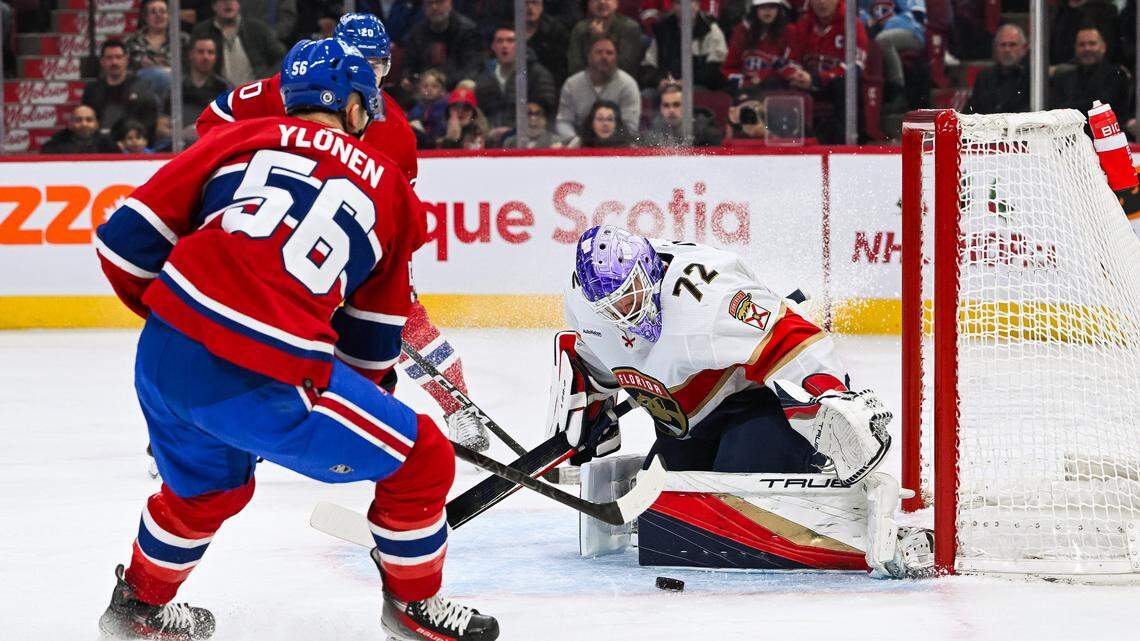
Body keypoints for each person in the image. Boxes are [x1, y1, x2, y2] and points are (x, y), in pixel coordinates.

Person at [93, 38, 500, 641]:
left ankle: (138, 608)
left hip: (163, 354)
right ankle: (412, 607)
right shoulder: (391, 186)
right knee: (423, 459)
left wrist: (183, 318)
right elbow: (369, 343)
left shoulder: (236, 137)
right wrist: (333, 399)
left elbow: (122, 243)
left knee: (208, 490)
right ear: (355, 108)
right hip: (269, 372)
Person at [548, 225, 932, 577]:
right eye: (611, 305)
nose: (623, 312)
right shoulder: (583, 302)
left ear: (648, 270)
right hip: (685, 424)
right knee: (665, 516)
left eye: (630, 293)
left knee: (734, 509)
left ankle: (872, 530)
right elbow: (595, 356)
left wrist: (829, 396)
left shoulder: (708, 297)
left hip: (754, 404)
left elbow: (792, 340)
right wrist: (589, 410)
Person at [195, 15, 488, 450]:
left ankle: (457, 407)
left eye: (378, 66)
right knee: (249, 323)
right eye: (360, 63)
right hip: (275, 227)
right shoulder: (287, 88)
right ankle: (204, 429)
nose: (369, 76)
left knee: (402, 320)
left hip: (347, 232)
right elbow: (212, 122)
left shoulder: (395, 132)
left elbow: (394, 214)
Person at [788, 0, 868, 144]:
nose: (822, 3)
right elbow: (792, 59)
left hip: (836, 84)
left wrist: (818, 79)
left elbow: (855, 65)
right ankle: (792, 144)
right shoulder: (803, 25)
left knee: (846, 85)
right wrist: (797, 74)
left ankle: (844, 145)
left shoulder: (852, 24)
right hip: (808, 83)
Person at [475, 24, 558, 144]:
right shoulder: (483, 76)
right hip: (489, 139)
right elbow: (479, 113)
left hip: (528, 140)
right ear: (493, 46)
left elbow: (545, 111)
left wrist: (514, 130)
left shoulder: (537, 75)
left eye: (510, 41)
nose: (504, 45)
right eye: (500, 41)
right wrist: (486, 132)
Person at [556, 35, 641, 139]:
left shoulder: (628, 85)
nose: (604, 57)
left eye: (609, 53)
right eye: (599, 52)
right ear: (589, 56)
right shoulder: (571, 84)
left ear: (616, 58)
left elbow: (630, 127)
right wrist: (577, 142)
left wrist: (607, 143)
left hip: (616, 145)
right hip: (579, 144)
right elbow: (563, 122)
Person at [191, 0, 286, 86]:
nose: (228, 3)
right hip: (218, 94)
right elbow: (189, 62)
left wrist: (266, 80)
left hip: (256, 93)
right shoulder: (202, 31)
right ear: (214, 6)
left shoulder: (258, 29)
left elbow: (283, 58)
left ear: (239, 4)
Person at [723, 0, 809, 93]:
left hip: (779, 89)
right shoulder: (742, 31)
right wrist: (745, 84)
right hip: (747, 89)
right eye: (763, 7)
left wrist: (763, 76)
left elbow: (793, 66)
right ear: (755, 10)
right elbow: (730, 66)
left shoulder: (790, 31)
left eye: (772, 7)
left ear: (779, 9)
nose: (767, 11)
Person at [640, 0, 728, 90]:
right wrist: (658, 81)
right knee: (647, 95)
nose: (685, 7)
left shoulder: (710, 30)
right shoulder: (662, 28)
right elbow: (649, 64)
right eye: (679, 3)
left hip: (698, 86)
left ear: (697, 5)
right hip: (666, 84)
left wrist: (688, 81)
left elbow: (714, 69)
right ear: (673, 7)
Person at [82, 40, 161, 138]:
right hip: (101, 142)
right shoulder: (91, 90)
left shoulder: (142, 87)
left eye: (118, 57)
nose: (114, 62)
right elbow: (86, 121)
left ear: (126, 60)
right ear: (102, 62)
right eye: (109, 58)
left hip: (134, 142)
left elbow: (149, 123)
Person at [1049, 26, 1131, 115]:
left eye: (1092, 44)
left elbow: (1103, 106)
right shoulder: (1065, 77)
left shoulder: (1116, 75)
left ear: (1103, 47)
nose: (1087, 48)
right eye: (1081, 44)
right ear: (1075, 48)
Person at [858, 0, 925, 109]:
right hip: (881, 29)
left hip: (909, 29)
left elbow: (916, 11)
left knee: (883, 40)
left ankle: (898, 89)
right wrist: (868, 19)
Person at [403, 0, 485, 88]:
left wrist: (440, 81)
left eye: (439, 2)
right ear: (424, 7)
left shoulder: (468, 31)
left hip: (455, 86)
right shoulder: (417, 33)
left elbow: (472, 68)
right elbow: (409, 65)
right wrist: (409, 77)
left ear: (450, 3)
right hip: (424, 87)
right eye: (430, 3)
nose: (434, 7)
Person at [124, 0, 190, 100]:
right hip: (141, 94)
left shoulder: (183, 40)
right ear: (145, 17)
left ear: (169, 16)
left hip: (177, 92)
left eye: (162, 11)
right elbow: (125, 73)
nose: (158, 15)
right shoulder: (132, 41)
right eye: (153, 12)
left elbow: (190, 70)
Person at [964, 24, 1029, 115]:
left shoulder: (1032, 78)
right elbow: (971, 110)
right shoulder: (984, 77)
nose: (1007, 50)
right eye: (1003, 45)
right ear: (996, 48)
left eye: (1012, 45)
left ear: (1024, 48)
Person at [567, 0, 643, 78]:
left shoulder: (629, 27)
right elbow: (575, 66)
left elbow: (625, 66)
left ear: (616, 3)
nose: (602, 2)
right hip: (585, 81)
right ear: (588, 4)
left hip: (619, 80)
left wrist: (599, 39)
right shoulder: (580, 28)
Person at [180, 36, 232, 143]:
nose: (205, 57)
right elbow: (161, 125)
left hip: (213, 144)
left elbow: (232, 125)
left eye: (210, 52)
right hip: (180, 146)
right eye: (200, 52)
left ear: (215, 57)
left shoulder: (224, 88)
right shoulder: (177, 87)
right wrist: (181, 134)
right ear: (191, 55)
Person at [641, 83, 724, 147]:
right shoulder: (651, 136)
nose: (671, 110)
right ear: (661, 109)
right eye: (666, 105)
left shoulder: (709, 136)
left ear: (687, 107)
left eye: (676, 105)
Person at [1049, 0, 1119, 66]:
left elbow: (1108, 51)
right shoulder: (1055, 11)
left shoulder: (1105, 10)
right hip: (1054, 69)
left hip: (1092, 69)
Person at [525, 0, 572, 87]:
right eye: (526, 3)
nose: (530, 7)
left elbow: (561, 66)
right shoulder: (509, 31)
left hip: (549, 84)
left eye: (535, 3)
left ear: (542, 7)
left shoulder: (555, 30)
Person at [40, 105, 120, 154]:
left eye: (89, 120)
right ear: (70, 124)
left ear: (97, 125)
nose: (84, 124)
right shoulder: (55, 145)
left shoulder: (108, 145)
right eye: (78, 120)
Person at [408, 68, 452, 148]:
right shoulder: (416, 109)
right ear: (419, 88)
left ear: (442, 90)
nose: (429, 89)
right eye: (425, 86)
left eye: (435, 86)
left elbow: (440, 132)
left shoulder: (446, 108)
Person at [570, 99, 637, 147]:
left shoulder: (629, 146)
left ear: (617, 124)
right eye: (600, 119)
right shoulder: (578, 144)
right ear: (591, 123)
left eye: (610, 119)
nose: (605, 124)